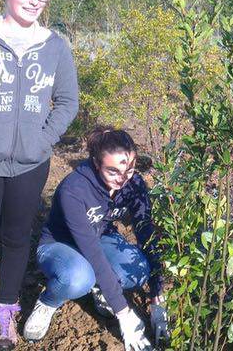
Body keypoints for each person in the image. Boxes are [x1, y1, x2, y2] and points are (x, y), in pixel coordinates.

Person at [0, 0, 79, 350]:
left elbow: (67, 101)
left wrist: (43, 139)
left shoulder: (54, 46)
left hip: (30, 163)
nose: (34, 0)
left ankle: (5, 312)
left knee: (16, 238)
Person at [22, 127, 167, 350]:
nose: (122, 179)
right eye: (113, 172)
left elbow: (145, 232)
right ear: (96, 164)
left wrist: (157, 295)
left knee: (138, 270)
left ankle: (103, 292)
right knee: (79, 277)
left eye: (129, 169)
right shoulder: (74, 190)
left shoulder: (134, 184)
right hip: (60, 243)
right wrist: (124, 312)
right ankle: (49, 301)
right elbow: (92, 252)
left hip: (101, 236)